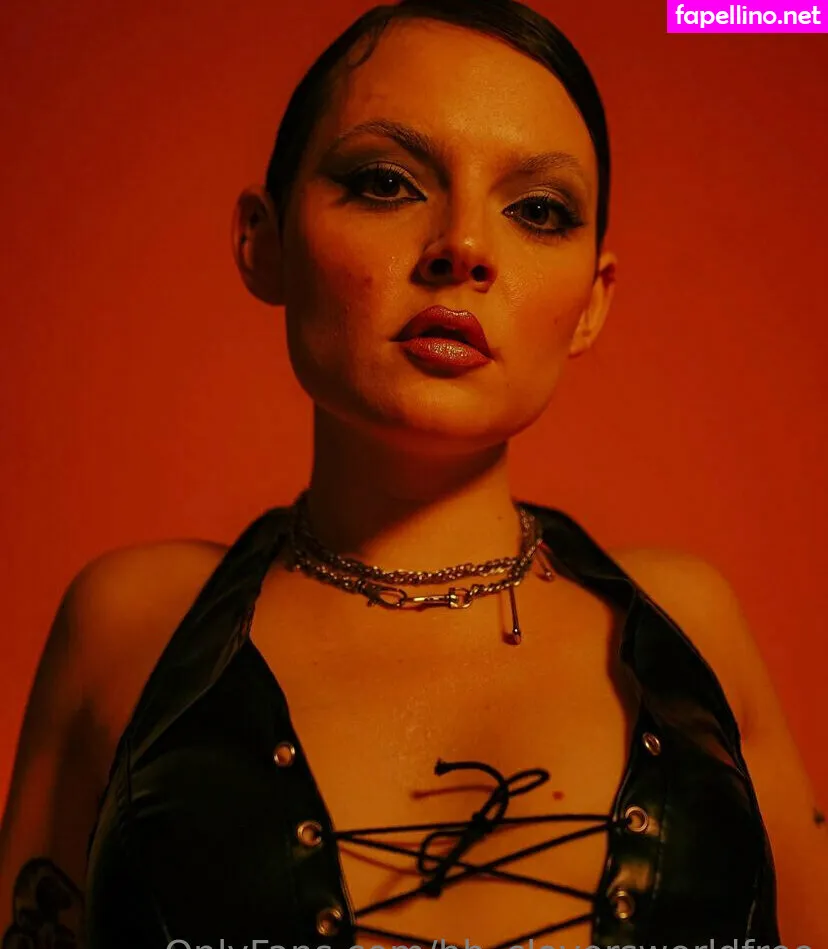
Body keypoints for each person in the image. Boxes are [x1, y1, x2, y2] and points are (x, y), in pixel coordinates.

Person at [1, 0, 826, 946]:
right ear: (263, 240)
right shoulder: (129, 629)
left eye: (539, 210)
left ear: (593, 303)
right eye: (385, 183)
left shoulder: (691, 630)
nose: (463, 246)